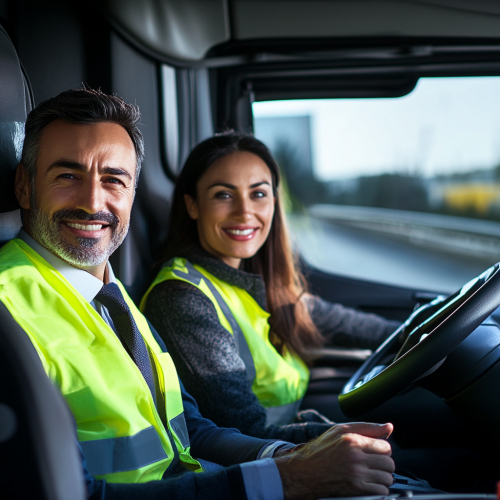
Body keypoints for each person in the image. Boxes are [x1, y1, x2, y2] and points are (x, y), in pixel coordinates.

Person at [0, 87, 397, 500]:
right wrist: (288, 478)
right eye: (68, 176)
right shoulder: (8, 309)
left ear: (132, 193)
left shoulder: (110, 294)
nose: (92, 202)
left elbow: (189, 427)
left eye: (114, 180)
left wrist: (293, 454)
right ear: (25, 188)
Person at [141, 133, 401, 443]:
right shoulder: (182, 300)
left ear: (274, 203)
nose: (244, 211)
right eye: (224, 195)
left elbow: (337, 319)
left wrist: (413, 333)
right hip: (267, 463)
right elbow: (247, 433)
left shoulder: (252, 279)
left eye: (259, 194)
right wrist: (345, 437)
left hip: (292, 439)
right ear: (193, 206)